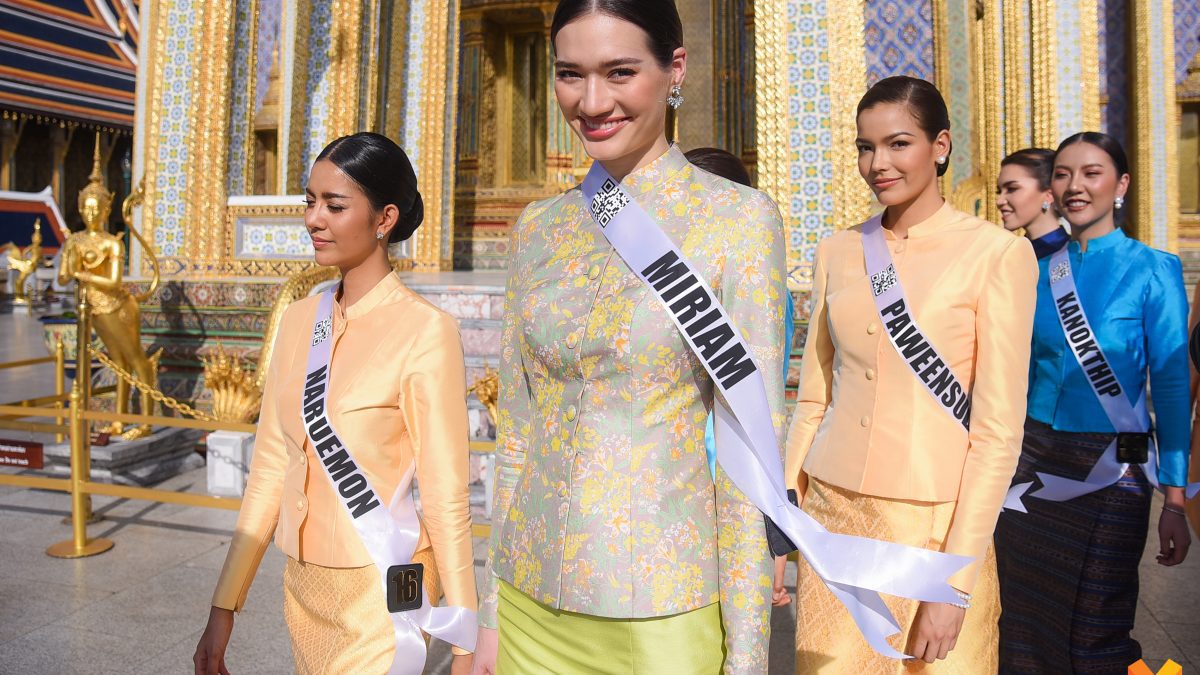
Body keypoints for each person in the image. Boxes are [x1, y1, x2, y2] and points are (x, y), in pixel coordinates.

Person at [472, 2, 788, 672]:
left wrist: (750, 655)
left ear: (674, 69)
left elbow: (747, 460)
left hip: (657, 609)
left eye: (619, 72)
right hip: (530, 599)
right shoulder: (538, 228)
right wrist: (492, 614)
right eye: (569, 74)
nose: (591, 102)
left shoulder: (735, 220)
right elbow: (517, 431)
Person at [193, 133, 477, 675]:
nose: (313, 219)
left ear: (384, 218)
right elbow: (271, 465)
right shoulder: (301, 318)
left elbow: (445, 495)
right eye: (309, 201)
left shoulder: (425, 331)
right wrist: (224, 605)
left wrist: (463, 641)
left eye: (334, 205)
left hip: (381, 585)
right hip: (303, 585)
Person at [784, 75, 1037, 672]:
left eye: (898, 144)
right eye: (865, 147)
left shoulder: (995, 254)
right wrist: (784, 520)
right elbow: (813, 399)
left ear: (939, 146)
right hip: (834, 519)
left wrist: (954, 581)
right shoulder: (838, 251)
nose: (878, 164)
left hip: (934, 527)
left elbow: (999, 434)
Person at [994, 131, 1192, 673]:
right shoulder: (1026, 267)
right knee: (1023, 613)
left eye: (1092, 172)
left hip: (1112, 462)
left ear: (1121, 184)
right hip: (1031, 457)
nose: (1075, 185)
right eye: (1062, 173)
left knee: (1095, 621)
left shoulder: (1154, 268)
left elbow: (1171, 386)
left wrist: (1174, 501)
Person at [996, 148, 1070, 259]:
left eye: (1011, 189)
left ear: (1049, 195)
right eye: (999, 191)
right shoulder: (1008, 257)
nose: (999, 201)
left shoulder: (1073, 255)